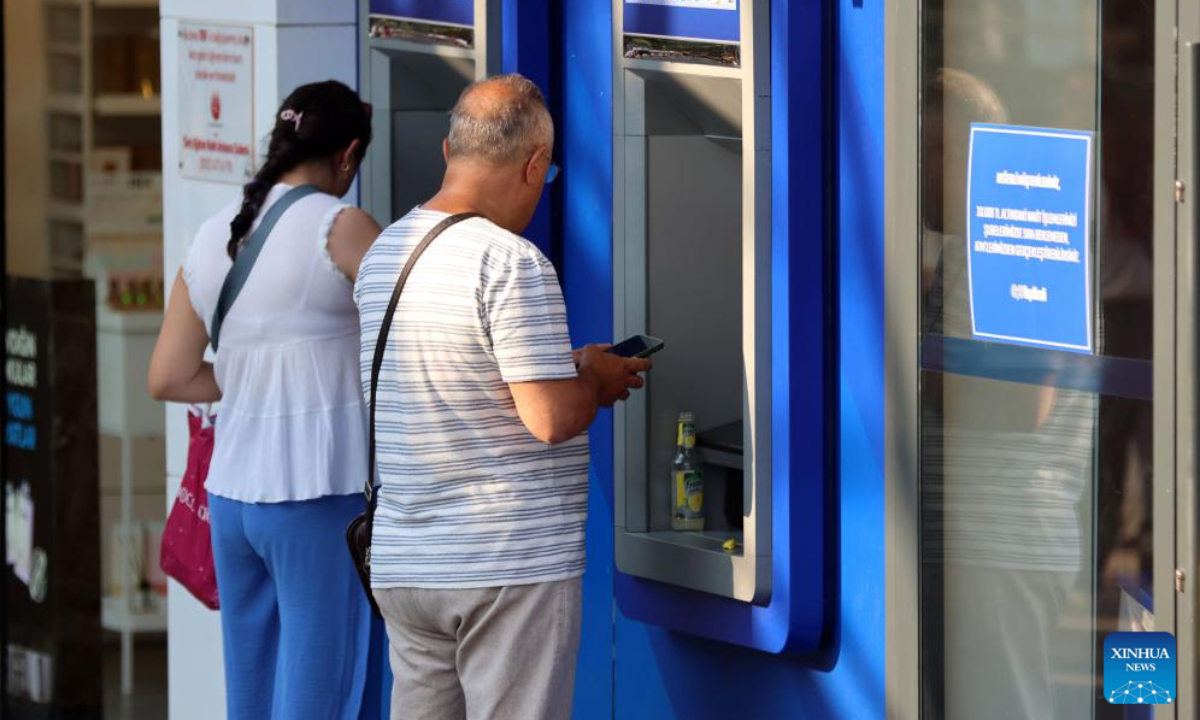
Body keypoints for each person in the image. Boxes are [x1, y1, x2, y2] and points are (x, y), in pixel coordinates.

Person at [355, 74, 649, 720]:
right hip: (502, 565)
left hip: (410, 562)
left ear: (447, 151)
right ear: (534, 166)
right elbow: (549, 418)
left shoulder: (385, 253)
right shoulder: (511, 262)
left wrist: (559, 367)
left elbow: (460, 381)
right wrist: (594, 380)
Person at [148, 80, 387, 720]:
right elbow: (420, 332)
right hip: (315, 496)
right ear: (348, 155)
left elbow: (168, 375)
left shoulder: (210, 236)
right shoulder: (342, 227)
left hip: (232, 502)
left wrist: (256, 378)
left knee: (252, 697)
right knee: (323, 693)